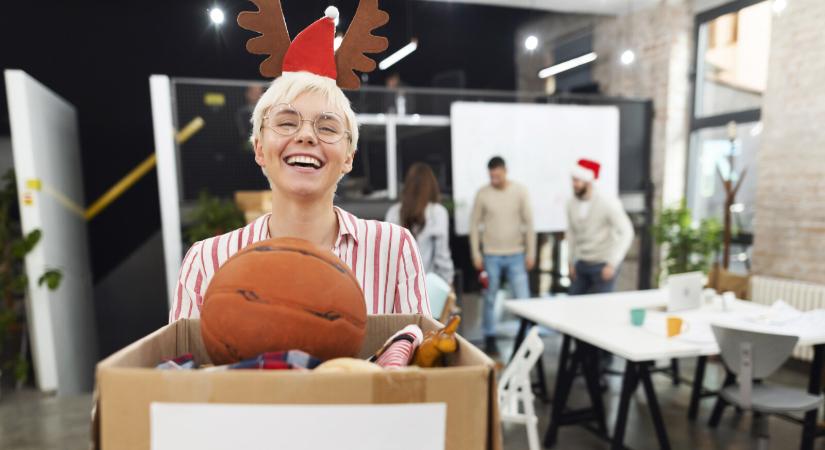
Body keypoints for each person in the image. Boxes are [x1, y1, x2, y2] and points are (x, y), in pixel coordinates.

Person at [170, 7, 430, 322]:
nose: (306, 136)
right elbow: (183, 367)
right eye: (287, 122)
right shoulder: (206, 262)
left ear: (348, 156)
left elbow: (420, 361)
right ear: (260, 148)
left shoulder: (394, 250)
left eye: (327, 127)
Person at [470, 156, 535, 354]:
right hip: (491, 255)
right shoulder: (482, 193)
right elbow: (474, 225)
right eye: (491, 176)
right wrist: (476, 254)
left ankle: (527, 338)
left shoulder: (520, 191)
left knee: (523, 298)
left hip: (516, 254)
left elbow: (529, 223)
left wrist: (531, 252)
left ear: (505, 171)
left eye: (497, 175)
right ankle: (489, 336)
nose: (494, 179)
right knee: (490, 297)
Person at [566, 158, 634, 295]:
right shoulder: (570, 203)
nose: (574, 184)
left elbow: (627, 232)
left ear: (588, 181)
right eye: (573, 180)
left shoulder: (607, 202)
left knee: (600, 308)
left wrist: (612, 263)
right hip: (581, 263)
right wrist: (570, 261)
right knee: (573, 305)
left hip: (603, 264)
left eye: (577, 181)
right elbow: (571, 234)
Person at [385, 163, 454, 285]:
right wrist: (448, 281)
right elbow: (441, 256)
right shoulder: (437, 212)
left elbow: (386, 253)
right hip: (428, 288)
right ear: (432, 186)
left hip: (397, 286)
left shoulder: (393, 212)